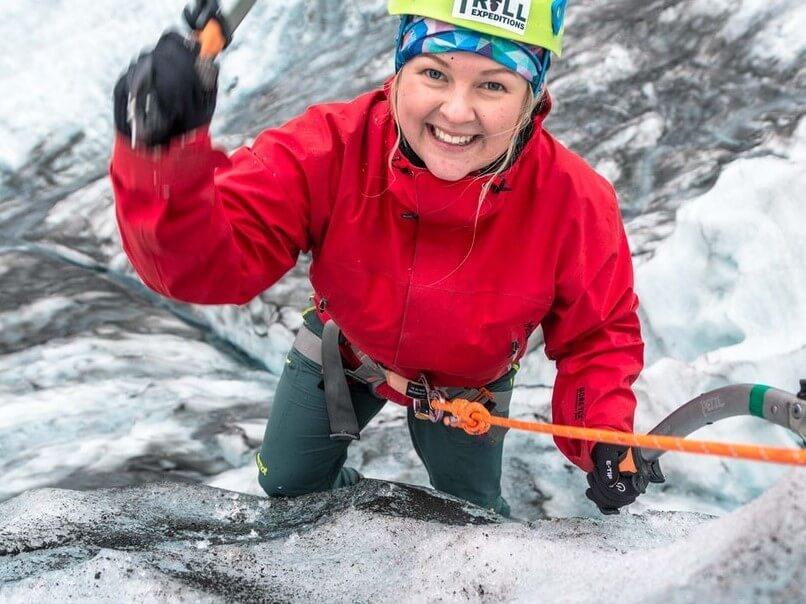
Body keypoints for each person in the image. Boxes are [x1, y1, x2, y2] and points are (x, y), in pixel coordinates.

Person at [110, 0, 661, 517]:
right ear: (400, 69)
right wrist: (160, 157)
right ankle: (368, 525)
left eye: (493, 85)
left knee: (475, 516)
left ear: (530, 95)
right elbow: (207, 263)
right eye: (434, 73)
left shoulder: (574, 201)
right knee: (288, 484)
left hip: (467, 391)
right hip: (345, 350)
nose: (456, 110)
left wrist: (605, 438)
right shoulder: (330, 148)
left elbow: (599, 333)